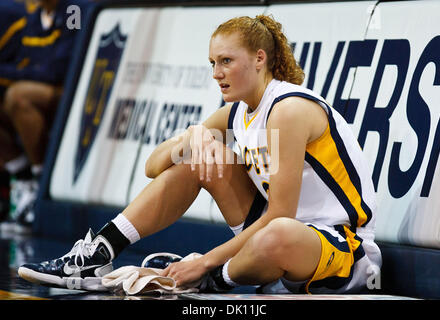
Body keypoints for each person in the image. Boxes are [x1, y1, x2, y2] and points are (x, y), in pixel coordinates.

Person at [18, 15, 382, 294]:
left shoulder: (288, 109)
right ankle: (98, 253)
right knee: (196, 160)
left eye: (226, 61)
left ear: (259, 59)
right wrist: (191, 139)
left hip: (340, 246)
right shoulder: (238, 112)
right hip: (273, 239)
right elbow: (153, 166)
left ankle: (207, 279)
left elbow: (279, 215)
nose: (216, 73)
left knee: (279, 233)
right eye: (212, 63)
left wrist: (204, 261)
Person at [0, 0, 89, 233]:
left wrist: (13, 74)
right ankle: (23, 179)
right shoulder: (33, 17)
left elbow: (57, 69)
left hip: (71, 92)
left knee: (19, 96)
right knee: (14, 94)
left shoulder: (74, 11)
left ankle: (41, 183)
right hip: (43, 87)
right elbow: (24, 63)